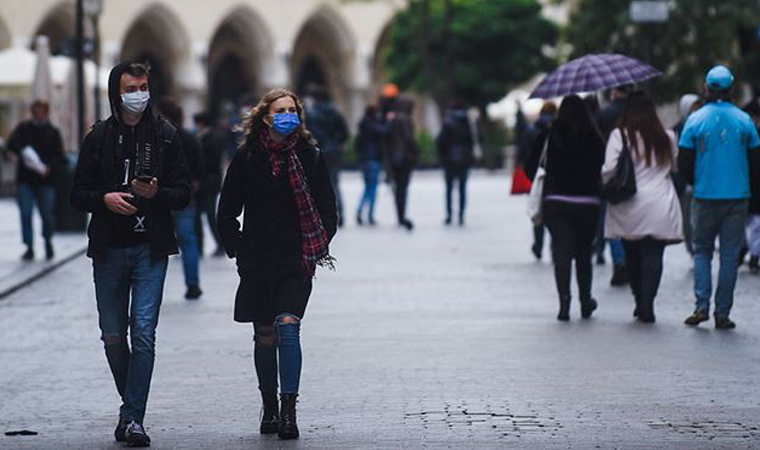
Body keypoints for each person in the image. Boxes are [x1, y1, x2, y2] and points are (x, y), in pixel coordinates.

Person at [70, 61, 191, 446]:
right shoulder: (99, 137)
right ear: (116, 93)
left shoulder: (166, 136)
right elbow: (77, 193)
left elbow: (184, 191)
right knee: (111, 336)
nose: (139, 93)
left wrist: (158, 194)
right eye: (130, 88)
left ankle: (134, 417)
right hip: (108, 249)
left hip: (149, 249)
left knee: (143, 334)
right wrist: (104, 199)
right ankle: (130, 405)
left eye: (143, 86)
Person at [217, 88, 337, 440]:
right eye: (280, 110)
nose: (288, 115)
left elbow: (328, 210)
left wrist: (315, 246)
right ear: (266, 117)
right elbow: (226, 212)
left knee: (287, 327)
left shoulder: (310, 157)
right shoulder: (246, 157)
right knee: (264, 335)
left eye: (292, 110)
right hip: (256, 261)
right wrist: (238, 249)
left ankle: (288, 410)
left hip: (296, 260)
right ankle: (268, 405)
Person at [678, 65, 760, 329]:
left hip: (704, 196)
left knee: (702, 251)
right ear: (731, 89)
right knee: (729, 255)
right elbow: (756, 162)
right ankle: (722, 313)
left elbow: (684, 162)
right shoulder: (745, 120)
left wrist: (699, 182)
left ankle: (701, 305)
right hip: (737, 196)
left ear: (707, 88)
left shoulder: (695, 120)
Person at [602, 91, 683, 323]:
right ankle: (648, 301)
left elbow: (609, 168)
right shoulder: (667, 136)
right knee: (654, 254)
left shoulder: (620, 135)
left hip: (629, 204)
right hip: (660, 202)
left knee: (632, 253)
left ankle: (639, 299)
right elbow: (675, 166)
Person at [526, 95, 605, 321]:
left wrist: (549, 180)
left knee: (561, 251)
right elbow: (604, 167)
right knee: (583, 253)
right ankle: (585, 301)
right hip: (587, 203)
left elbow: (530, 166)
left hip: (556, 201)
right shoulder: (594, 136)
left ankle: (564, 304)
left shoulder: (549, 135)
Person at [6, 99, 66, 260]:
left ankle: (47, 241)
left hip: (46, 181)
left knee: (47, 214)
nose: (38, 114)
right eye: (36, 111)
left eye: (41, 111)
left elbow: (59, 157)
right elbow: (11, 145)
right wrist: (21, 152)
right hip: (25, 180)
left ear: (46, 113)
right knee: (25, 214)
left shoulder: (53, 132)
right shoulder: (23, 129)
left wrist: (49, 168)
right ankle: (29, 246)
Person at [156, 97, 203, 300]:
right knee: (188, 242)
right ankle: (193, 284)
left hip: (158, 197)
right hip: (184, 197)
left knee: (155, 245)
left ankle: (151, 288)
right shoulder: (189, 138)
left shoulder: (157, 137)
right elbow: (199, 170)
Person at [597, 84, 634, 285]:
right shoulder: (636, 114)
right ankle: (630, 259)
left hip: (610, 173)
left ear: (614, 92)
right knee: (633, 218)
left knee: (611, 219)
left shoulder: (605, 114)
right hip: (636, 173)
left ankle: (619, 260)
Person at [304, 84, 348, 227]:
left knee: (317, 185)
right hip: (334, 151)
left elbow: (311, 134)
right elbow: (344, 132)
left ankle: (321, 216)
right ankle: (339, 214)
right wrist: (336, 142)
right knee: (335, 183)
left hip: (319, 152)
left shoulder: (312, 114)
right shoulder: (335, 112)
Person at [522, 102, 557, 260]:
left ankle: (538, 245)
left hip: (537, 177)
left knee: (537, 211)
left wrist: (531, 177)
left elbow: (526, 155)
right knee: (553, 213)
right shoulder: (559, 130)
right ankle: (553, 246)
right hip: (554, 178)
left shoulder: (532, 129)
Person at [672, 94, 703, 256]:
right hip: (686, 183)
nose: (696, 111)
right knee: (687, 219)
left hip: (703, 181)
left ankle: (698, 248)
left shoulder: (705, 125)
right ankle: (692, 248)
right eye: (693, 107)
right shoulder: (677, 130)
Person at [192, 112, 225, 256]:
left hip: (210, 183)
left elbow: (214, 161)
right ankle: (199, 246)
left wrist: (198, 162)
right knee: (197, 215)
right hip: (201, 183)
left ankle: (220, 245)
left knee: (211, 216)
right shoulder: (199, 137)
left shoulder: (212, 138)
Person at [437, 102, 475, 225]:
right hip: (464, 160)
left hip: (449, 161)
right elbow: (471, 142)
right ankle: (461, 215)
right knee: (462, 189)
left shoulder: (447, 122)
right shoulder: (467, 122)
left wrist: (442, 157)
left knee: (449, 189)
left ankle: (449, 215)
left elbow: (441, 142)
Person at [386, 96, 419, 231]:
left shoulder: (392, 119)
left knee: (398, 188)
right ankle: (402, 214)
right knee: (402, 188)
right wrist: (416, 152)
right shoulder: (405, 120)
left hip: (393, 158)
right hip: (404, 158)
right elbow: (409, 139)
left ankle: (400, 214)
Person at [355, 105, 390, 225]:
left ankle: (359, 210)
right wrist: (388, 120)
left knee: (367, 187)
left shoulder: (362, 126)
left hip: (364, 160)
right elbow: (384, 130)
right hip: (373, 159)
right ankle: (370, 214)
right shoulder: (373, 126)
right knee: (373, 188)